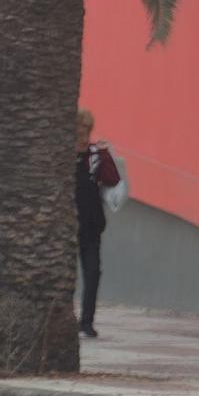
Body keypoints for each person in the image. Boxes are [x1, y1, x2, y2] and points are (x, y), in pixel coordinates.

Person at [74, 109, 121, 339]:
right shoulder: (59, 155)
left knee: (92, 273)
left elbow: (113, 179)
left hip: (91, 224)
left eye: (85, 133)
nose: (83, 139)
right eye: (78, 134)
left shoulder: (95, 155)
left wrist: (105, 155)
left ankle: (87, 322)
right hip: (65, 224)